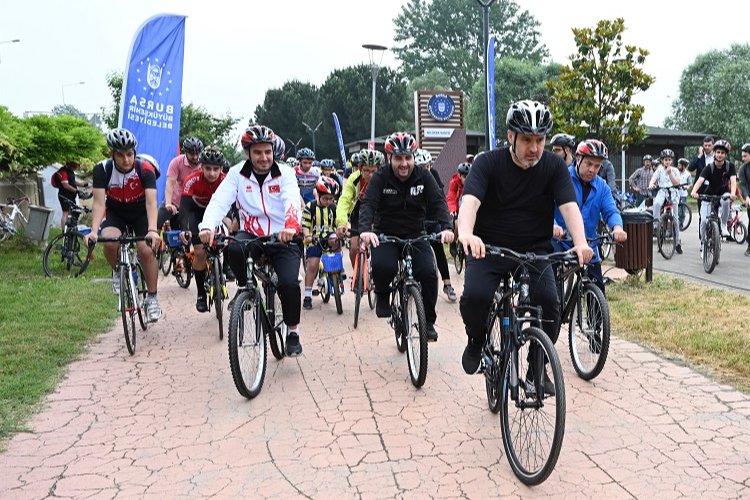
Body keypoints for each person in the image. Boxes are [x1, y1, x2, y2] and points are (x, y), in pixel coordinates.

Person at [457, 100, 593, 388]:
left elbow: (569, 207)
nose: (534, 148)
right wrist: (467, 234)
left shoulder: (554, 166)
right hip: (489, 249)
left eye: (540, 140)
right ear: (510, 137)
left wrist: (580, 242)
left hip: (534, 250)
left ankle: (536, 366)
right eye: (527, 140)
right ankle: (477, 340)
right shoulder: (487, 163)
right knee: (476, 298)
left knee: (551, 307)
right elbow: (469, 202)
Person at [199, 125, 304, 356]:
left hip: (283, 234)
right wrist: (207, 226)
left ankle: (293, 331)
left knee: (288, 284)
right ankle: (245, 287)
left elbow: (291, 201)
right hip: (252, 234)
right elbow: (219, 201)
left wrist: (290, 227)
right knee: (234, 248)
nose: (264, 157)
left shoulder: (285, 173)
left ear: (273, 151)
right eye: (257, 152)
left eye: (267, 152)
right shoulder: (237, 174)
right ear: (248, 153)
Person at [358, 132, 454, 342]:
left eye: (408, 158)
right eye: (398, 158)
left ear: (413, 157)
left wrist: (447, 227)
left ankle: (427, 321)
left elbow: (438, 202)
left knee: (428, 273)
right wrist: (365, 229)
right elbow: (368, 204)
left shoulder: (424, 176)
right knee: (384, 267)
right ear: (389, 158)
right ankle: (382, 295)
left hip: (416, 234)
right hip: (387, 234)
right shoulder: (381, 177)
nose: (404, 164)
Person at [85, 128, 162, 322]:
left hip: (140, 212)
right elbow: (98, 203)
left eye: (129, 154)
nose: (126, 159)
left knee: (146, 250)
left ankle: (152, 298)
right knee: (109, 242)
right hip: (116, 211)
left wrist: (153, 230)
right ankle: (119, 270)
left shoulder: (145, 169)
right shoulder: (102, 169)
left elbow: (152, 202)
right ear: (112, 153)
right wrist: (94, 231)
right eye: (120, 155)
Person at [552, 139, 627, 292]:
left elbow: (611, 211)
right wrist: (552, 225)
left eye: (597, 166)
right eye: (589, 164)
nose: (592, 170)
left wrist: (617, 228)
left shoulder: (602, 187)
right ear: (578, 159)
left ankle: (596, 314)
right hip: (559, 242)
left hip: (587, 245)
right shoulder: (561, 178)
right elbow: (545, 207)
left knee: (598, 288)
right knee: (550, 288)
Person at [178, 146, 227, 312]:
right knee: (199, 252)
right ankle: (200, 294)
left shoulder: (226, 180)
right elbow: (184, 208)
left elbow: (234, 206)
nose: (212, 173)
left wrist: (234, 223)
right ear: (201, 167)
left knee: (229, 237)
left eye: (215, 169)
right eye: (207, 168)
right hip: (197, 213)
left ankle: (225, 267)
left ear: (221, 169)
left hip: (219, 213)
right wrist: (184, 229)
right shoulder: (192, 179)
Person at [414, 148, 458, 302]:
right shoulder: (411, 178)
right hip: (418, 219)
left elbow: (439, 199)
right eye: (421, 167)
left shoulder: (433, 174)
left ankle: (447, 284)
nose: (424, 169)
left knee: (438, 248)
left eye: (427, 166)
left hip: (432, 217)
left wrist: (444, 223)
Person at [336, 149, 384, 268]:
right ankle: (358, 278)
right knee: (353, 248)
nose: (370, 175)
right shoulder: (354, 178)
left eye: (373, 171)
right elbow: (344, 200)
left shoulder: (384, 179)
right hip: (359, 211)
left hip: (379, 211)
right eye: (366, 170)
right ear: (360, 168)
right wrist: (342, 222)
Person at [302, 177, 339, 309]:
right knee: (312, 265)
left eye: (331, 199)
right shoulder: (310, 207)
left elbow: (339, 223)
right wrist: (307, 236)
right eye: (325, 199)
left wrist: (344, 230)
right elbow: (305, 224)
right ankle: (307, 295)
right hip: (314, 239)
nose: (328, 202)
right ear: (318, 194)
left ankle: (339, 270)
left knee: (336, 240)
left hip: (329, 237)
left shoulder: (334, 208)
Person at [691, 139, 737, 240]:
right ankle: (703, 243)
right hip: (708, 196)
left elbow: (733, 181)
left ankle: (724, 225)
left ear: (725, 155)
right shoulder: (709, 167)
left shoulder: (730, 166)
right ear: (715, 153)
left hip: (722, 195)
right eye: (718, 152)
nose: (720, 155)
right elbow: (700, 180)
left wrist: (733, 193)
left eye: (722, 153)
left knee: (726, 200)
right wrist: (694, 191)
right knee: (703, 221)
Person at [159, 137, 204, 230]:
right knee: (155, 222)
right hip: (175, 201)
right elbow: (170, 184)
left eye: (197, 154)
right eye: (192, 154)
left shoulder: (203, 164)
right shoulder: (176, 162)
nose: (195, 157)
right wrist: (168, 203)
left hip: (193, 203)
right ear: (185, 152)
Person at [648, 149, 683, 254]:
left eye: (669, 160)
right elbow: (654, 178)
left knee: (676, 221)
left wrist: (670, 173)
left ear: (671, 161)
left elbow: (677, 183)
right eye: (665, 160)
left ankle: (677, 243)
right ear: (662, 161)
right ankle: (656, 224)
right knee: (657, 203)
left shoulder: (675, 170)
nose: (667, 162)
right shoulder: (659, 170)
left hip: (673, 192)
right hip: (662, 191)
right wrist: (651, 184)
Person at [54, 160, 90, 228]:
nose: (76, 168)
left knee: (71, 213)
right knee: (65, 213)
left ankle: (69, 230)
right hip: (64, 196)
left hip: (70, 196)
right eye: (75, 166)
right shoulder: (63, 172)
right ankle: (64, 232)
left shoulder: (70, 171)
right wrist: (77, 191)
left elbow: (72, 181)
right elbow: (66, 185)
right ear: (71, 165)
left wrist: (82, 184)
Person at [446, 162, 470, 257]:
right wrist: (453, 210)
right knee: (456, 224)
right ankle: (453, 243)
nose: (466, 179)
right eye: (464, 176)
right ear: (459, 175)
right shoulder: (454, 182)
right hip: (457, 209)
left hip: (468, 208)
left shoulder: (473, 181)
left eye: (468, 176)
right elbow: (451, 197)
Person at [738, 144, 750, 256]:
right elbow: (743, 185)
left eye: (745, 156)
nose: (743, 158)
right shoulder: (743, 168)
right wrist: (746, 196)